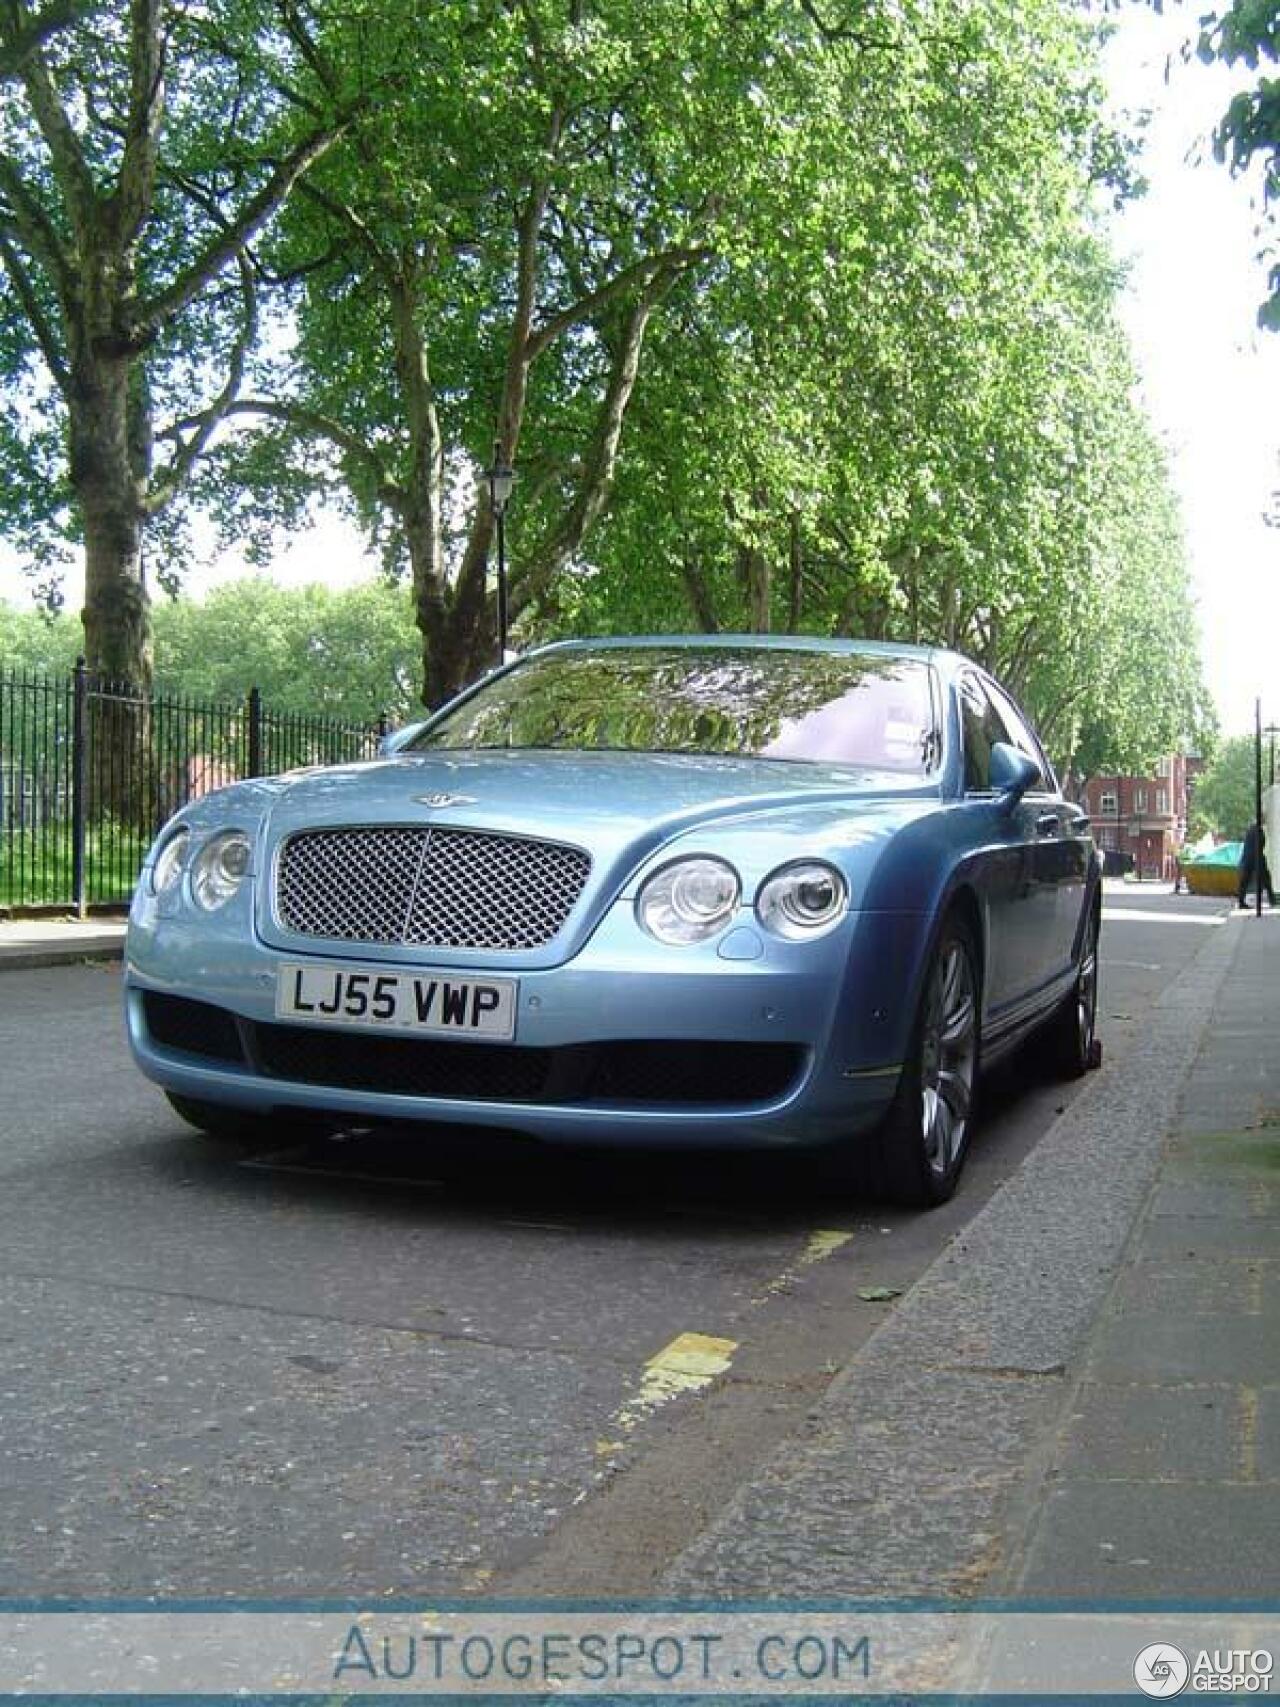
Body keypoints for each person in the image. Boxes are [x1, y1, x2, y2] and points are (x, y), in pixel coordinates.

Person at [1237, 820, 1277, 908]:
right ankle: (1272, 900)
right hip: (1257, 858)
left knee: (1244, 880)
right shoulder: (1258, 831)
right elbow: (1261, 844)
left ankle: (1241, 901)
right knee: (1266, 879)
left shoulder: (1250, 830)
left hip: (1248, 857)